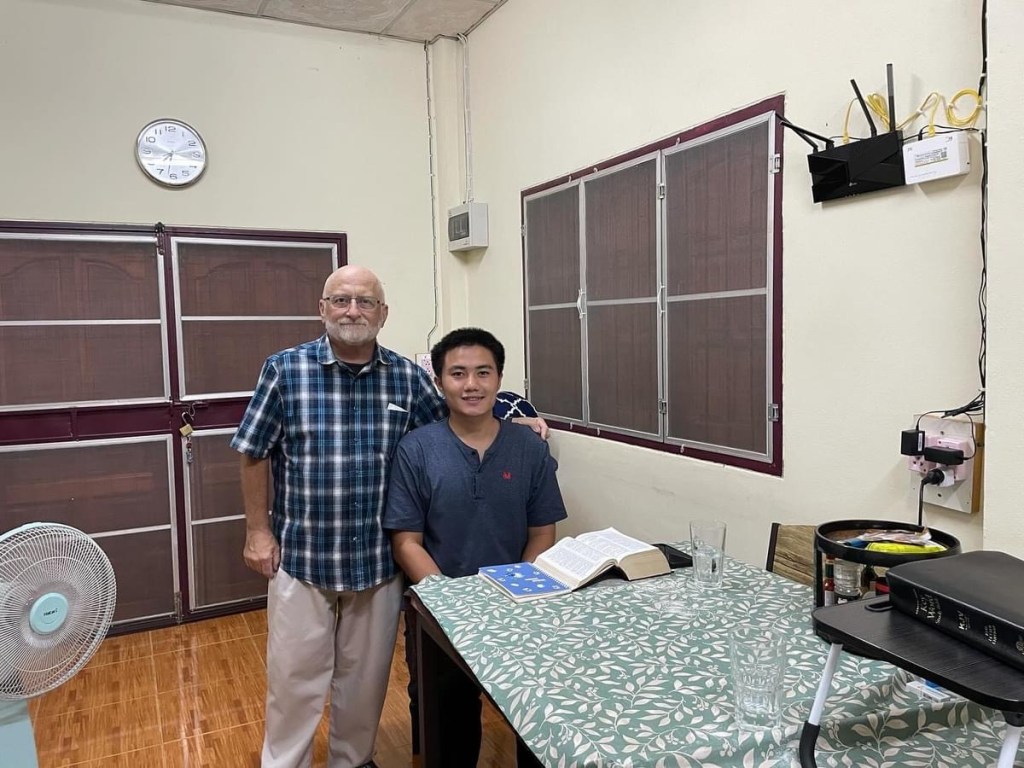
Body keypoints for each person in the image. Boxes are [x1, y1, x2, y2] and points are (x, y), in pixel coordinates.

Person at [383, 327, 568, 768]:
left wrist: (519, 588)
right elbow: (406, 541)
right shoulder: (416, 449)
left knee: (534, 715)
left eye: (483, 373)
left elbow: (542, 532)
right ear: (439, 382)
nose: (471, 385)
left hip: (519, 607)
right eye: (458, 373)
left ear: (499, 378)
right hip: (440, 612)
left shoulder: (528, 447)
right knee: (444, 721)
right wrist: (453, 603)